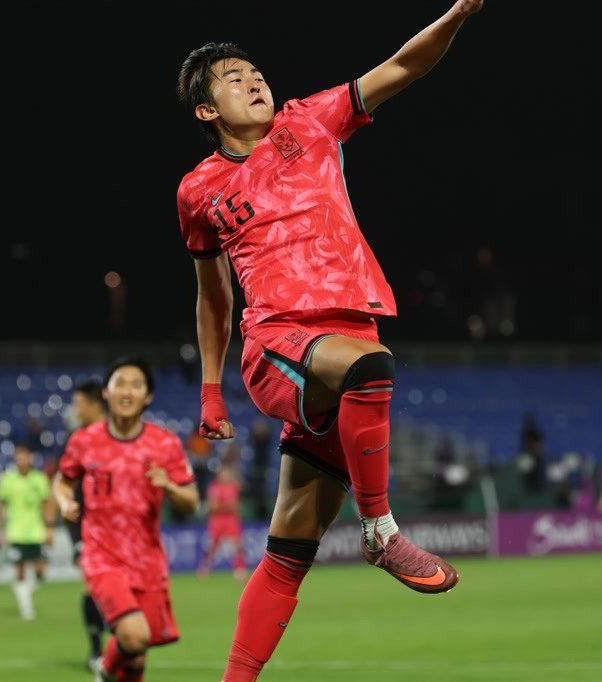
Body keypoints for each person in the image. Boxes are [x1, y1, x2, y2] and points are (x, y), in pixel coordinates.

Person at [175, 2, 482, 678]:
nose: (254, 81)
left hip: (343, 339)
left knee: (289, 552)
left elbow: (403, 65)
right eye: (233, 78)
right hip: (279, 343)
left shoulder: (310, 121)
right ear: (207, 110)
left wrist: (459, 12)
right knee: (372, 367)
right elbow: (213, 295)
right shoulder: (198, 192)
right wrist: (210, 392)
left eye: (256, 72)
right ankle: (381, 532)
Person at [54, 358, 199, 682]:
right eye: (120, 383)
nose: (127, 390)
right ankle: (103, 671)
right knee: (134, 636)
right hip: (102, 556)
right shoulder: (84, 440)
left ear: (148, 396)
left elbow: (191, 502)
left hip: (147, 562)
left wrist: (170, 487)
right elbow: (63, 480)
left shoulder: (165, 444)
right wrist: (64, 500)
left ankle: (113, 669)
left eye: (136, 384)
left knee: (135, 660)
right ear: (106, 392)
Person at [68, 379, 110, 670]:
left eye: (78, 403)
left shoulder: (119, 436)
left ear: (94, 404)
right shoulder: (77, 441)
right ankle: (96, 650)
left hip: (122, 529)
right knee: (90, 588)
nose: (74, 409)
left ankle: (117, 646)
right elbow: (65, 487)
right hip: (88, 529)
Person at [0, 443, 53, 620]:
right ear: (15, 460)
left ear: (30, 458)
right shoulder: (7, 480)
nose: (22, 461)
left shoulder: (39, 479)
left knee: (41, 571)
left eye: (25, 457)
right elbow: (1, 506)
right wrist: (0, 531)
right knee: (20, 571)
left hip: (36, 532)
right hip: (16, 532)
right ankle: (26, 608)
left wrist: (49, 528)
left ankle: (25, 592)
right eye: (18, 457)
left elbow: (47, 504)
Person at [198, 463, 247, 581]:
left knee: (237, 544)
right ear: (219, 475)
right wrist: (227, 505)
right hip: (217, 519)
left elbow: (236, 507)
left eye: (228, 474)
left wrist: (223, 505)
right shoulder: (214, 487)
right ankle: (205, 568)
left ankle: (240, 570)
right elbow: (213, 507)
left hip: (231, 519)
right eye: (224, 474)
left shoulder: (233, 487)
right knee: (212, 545)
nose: (226, 476)